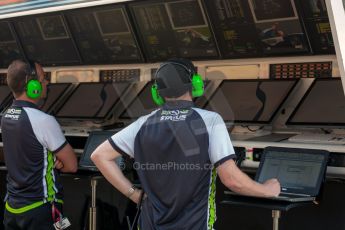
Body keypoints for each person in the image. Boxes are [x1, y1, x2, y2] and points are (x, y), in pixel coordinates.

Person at [91, 58, 280, 230]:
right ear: (195, 84)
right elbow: (231, 180)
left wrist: (134, 194)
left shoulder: (142, 124)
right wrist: (267, 190)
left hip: (149, 224)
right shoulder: (210, 121)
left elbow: (99, 156)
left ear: (157, 92)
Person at [1, 59, 77, 230]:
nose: (47, 83)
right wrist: (56, 164)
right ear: (32, 86)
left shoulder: (6, 116)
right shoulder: (44, 121)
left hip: (12, 208)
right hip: (42, 209)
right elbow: (72, 165)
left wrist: (49, 162)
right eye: (43, 79)